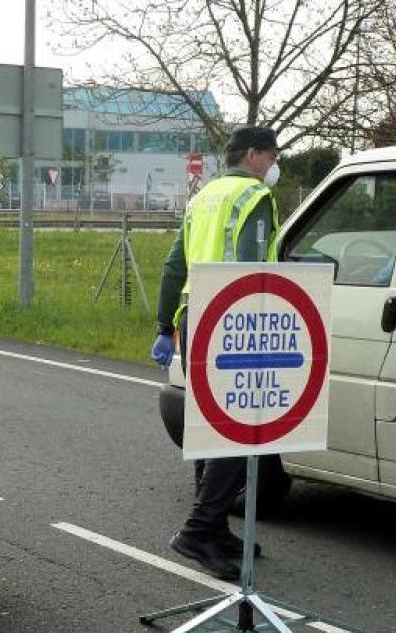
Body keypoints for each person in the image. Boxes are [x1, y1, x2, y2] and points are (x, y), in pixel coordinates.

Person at [151, 125, 282, 580]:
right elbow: (254, 267)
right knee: (238, 427)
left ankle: (215, 526)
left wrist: (165, 325)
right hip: (235, 320)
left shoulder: (201, 198)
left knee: (210, 423)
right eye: (270, 157)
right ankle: (199, 529)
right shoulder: (254, 198)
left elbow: (174, 265)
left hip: (196, 317)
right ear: (252, 155)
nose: (272, 166)